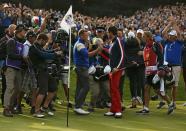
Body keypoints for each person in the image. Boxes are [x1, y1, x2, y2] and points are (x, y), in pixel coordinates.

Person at [136, 31, 173, 115]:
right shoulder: (146, 47)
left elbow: (160, 56)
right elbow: (147, 59)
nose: (143, 37)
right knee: (146, 88)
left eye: (144, 36)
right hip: (148, 71)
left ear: (149, 37)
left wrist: (160, 68)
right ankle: (146, 108)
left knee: (157, 90)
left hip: (155, 71)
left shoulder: (155, 44)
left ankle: (170, 103)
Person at [29, 33, 62, 118]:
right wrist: (55, 54)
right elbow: (43, 55)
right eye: (45, 42)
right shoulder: (34, 47)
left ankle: (44, 107)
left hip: (45, 70)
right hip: (39, 71)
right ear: (41, 39)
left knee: (53, 87)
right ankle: (36, 111)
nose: (45, 43)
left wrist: (54, 50)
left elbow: (45, 52)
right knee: (42, 91)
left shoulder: (39, 47)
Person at [73, 29, 102, 115]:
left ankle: (78, 105)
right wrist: (98, 49)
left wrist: (88, 48)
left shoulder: (81, 44)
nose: (87, 37)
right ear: (81, 35)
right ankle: (78, 106)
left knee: (80, 87)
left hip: (81, 67)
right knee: (86, 87)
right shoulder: (79, 44)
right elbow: (87, 55)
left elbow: (86, 52)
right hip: (81, 68)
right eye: (86, 35)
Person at [3, 24, 26, 117]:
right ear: (19, 31)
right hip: (10, 67)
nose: (25, 32)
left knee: (18, 89)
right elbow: (10, 54)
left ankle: (11, 107)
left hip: (18, 68)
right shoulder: (11, 41)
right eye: (24, 31)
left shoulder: (23, 42)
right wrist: (22, 58)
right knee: (10, 88)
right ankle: (6, 108)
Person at [162, 16, 183, 109]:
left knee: (175, 85)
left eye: (171, 35)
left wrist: (174, 24)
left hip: (176, 66)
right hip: (167, 66)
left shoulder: (179, 42)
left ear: (175, 36)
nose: (169, 36)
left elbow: (179, 33)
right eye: (169, 35)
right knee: (166, 84)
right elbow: (163, 32)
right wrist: (170, 24)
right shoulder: (167, 42)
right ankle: (166, 101)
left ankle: (174, 102)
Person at [104, 26, 124, 118]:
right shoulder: (112, 42)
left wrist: (118, 67)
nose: (108, 34)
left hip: (117, 69)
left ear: (111, 32)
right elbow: (112, 56)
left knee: (115, 89)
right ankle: (113, 109)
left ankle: (118, 110)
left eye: (108, 32)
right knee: (112, 89)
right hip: (112, 70)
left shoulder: (118, 41)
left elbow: (122, 55)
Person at [0, 24, 16, 105]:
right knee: (5, 83)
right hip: (4, 64)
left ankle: (11, 101)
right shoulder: (3, 40)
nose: (15, 31)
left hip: (12, 64)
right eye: (14, 29)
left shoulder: (15, 40)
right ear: (10, 30)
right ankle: (4, 101)